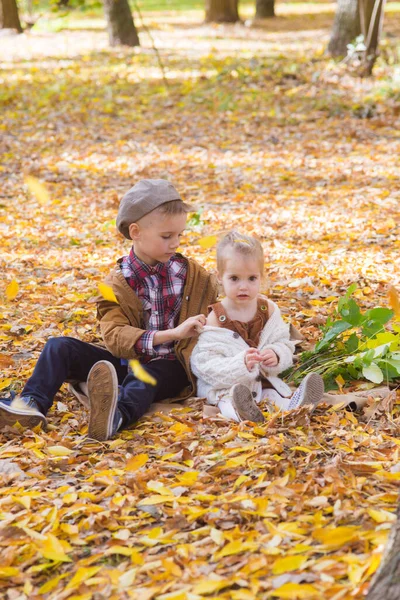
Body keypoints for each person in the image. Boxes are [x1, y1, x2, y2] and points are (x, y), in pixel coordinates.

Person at [0, 179, 218, 440]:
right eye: (166, 236)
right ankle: (31, 405)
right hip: (130, 360)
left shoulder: (193, 275)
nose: (175, 243)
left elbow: (221, 308)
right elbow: (115, 335)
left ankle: (115, 416)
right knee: (58, 347)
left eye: (180, 235)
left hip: (172, 366)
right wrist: (171, 334)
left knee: (146, 374)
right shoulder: (117, 283)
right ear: (135, 232)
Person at [190, 231, 324, 423]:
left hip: (263, 382)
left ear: (261, 276)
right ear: (220, 277)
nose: (243, 286)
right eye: (234, 278)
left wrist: (276, 354)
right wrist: (240, 365)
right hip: (227, 387)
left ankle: (297, 406)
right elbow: (203, 363)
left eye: (251, 278)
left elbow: (283, 342)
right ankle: (240, 412)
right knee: (226, 402)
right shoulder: (216, 318)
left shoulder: (267, 310)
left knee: (273, 396)